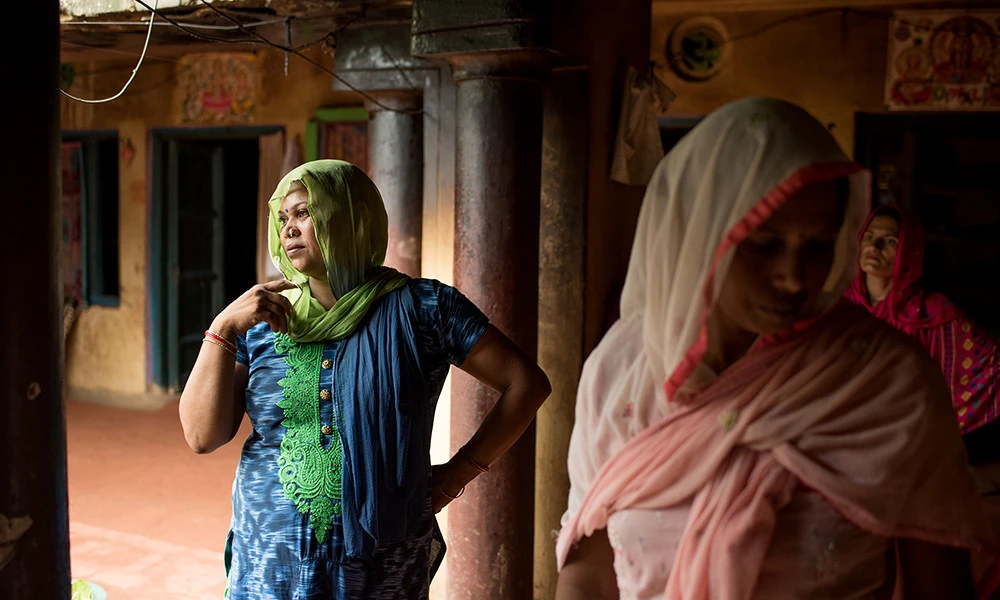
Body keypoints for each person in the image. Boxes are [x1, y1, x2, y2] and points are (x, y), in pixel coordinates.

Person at [554, 98, 998, 599]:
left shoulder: (887, 378)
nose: (793, 277)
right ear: (698, 235)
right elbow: (587, 569)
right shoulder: (622, 370)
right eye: (763, 243)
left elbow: (940, 586)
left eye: (817, 244)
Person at [178, 160, 551, 599]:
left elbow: (526, 383)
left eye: (304, 213)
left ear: (351, 217)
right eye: (283, 217)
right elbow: (202, 435)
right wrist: (221, 327)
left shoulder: (423, 308)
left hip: (380, 564)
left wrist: (454, 476)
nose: (289, 228)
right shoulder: (261, 319)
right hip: (269, 557)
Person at [845, 205, 1000, 463]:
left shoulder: (932, 313)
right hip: (846, 440)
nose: (875, 246)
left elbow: (992, 367)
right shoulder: (842, 308)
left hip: (908, 444)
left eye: (891, 240)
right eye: (869, 236)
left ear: (909, 248)